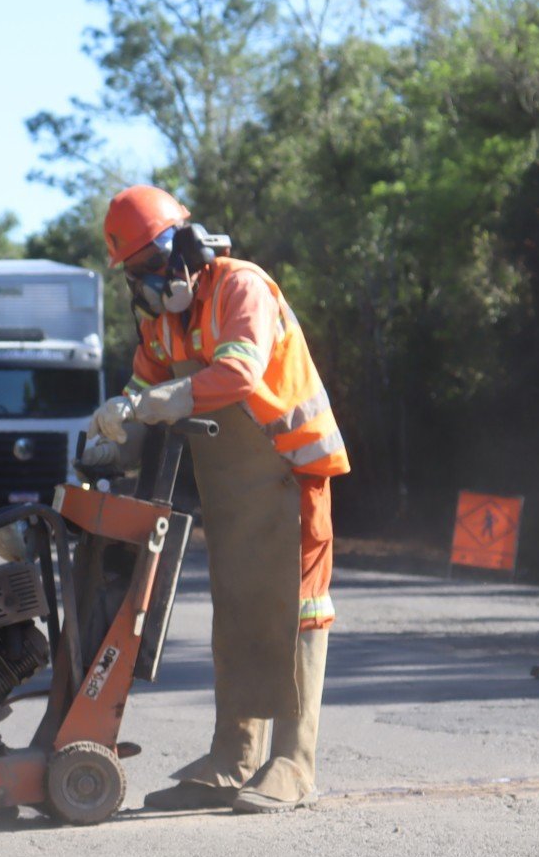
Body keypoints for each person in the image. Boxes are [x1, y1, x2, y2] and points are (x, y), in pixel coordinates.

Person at [87, 186, 349, 813]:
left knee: (300, 610)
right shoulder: (160, 318)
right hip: (233, 482)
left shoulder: (240, 287)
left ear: (186, 248)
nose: (147, 284)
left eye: (152, 267)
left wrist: (160, 403)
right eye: (136, 274)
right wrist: (113, 429)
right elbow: (143, 385)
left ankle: (292, 763)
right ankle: (233, 759)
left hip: (293, 470)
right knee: (237, 611)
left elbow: (239, 373)